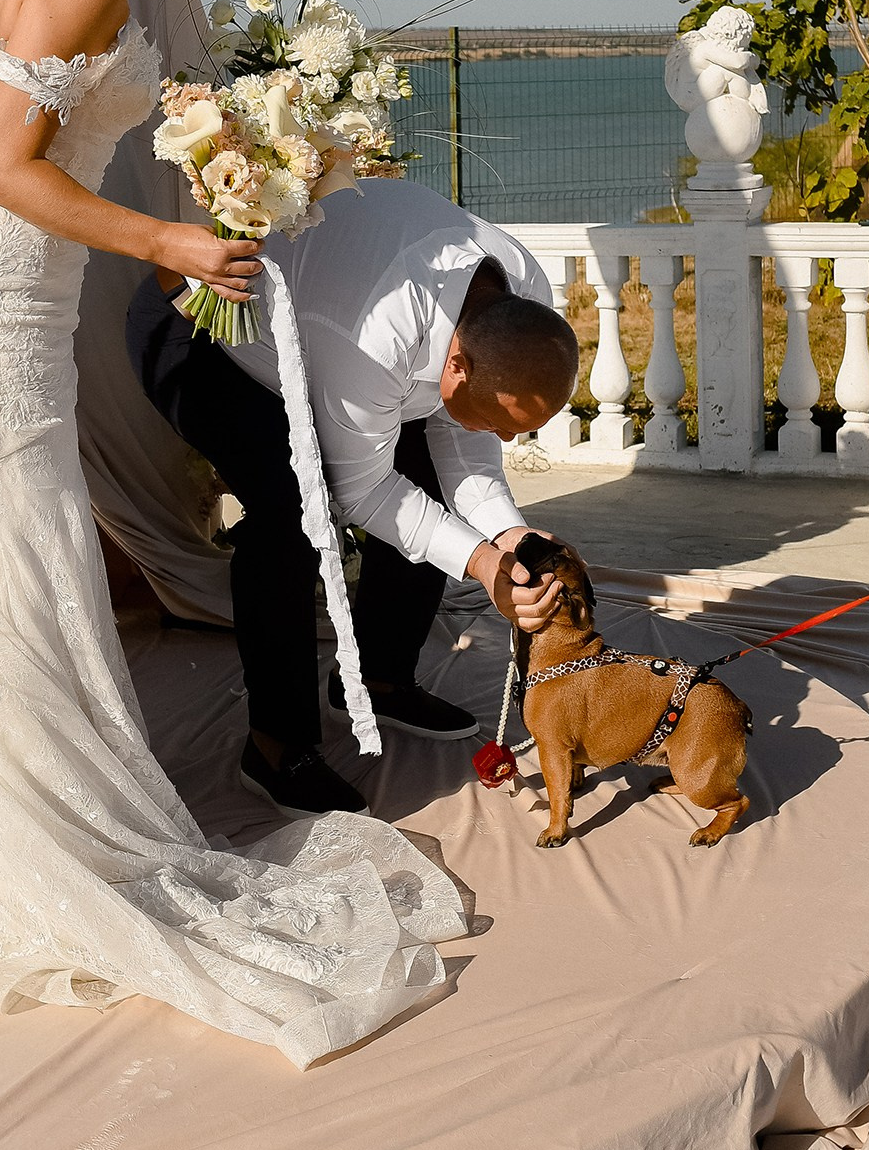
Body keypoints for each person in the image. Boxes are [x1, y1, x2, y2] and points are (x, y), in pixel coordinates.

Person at [0, 0, 469, 1071]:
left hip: (4, 308)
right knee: (13, 580)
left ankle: (25, 833)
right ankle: (31, 857)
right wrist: (167, 240)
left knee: (15, 583)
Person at [126, 178, 579, 819]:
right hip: (203, 333)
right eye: (502, 423)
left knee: (428, 473)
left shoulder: (521, 296)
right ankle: (276, 747)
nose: (508, 440)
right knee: (290, 512)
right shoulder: (376, 333)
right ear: (456, 365)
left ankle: (377, 677)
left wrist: (509, 536)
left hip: (322, 326)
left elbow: (464, 444)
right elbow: (362, 492)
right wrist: (481, 563)